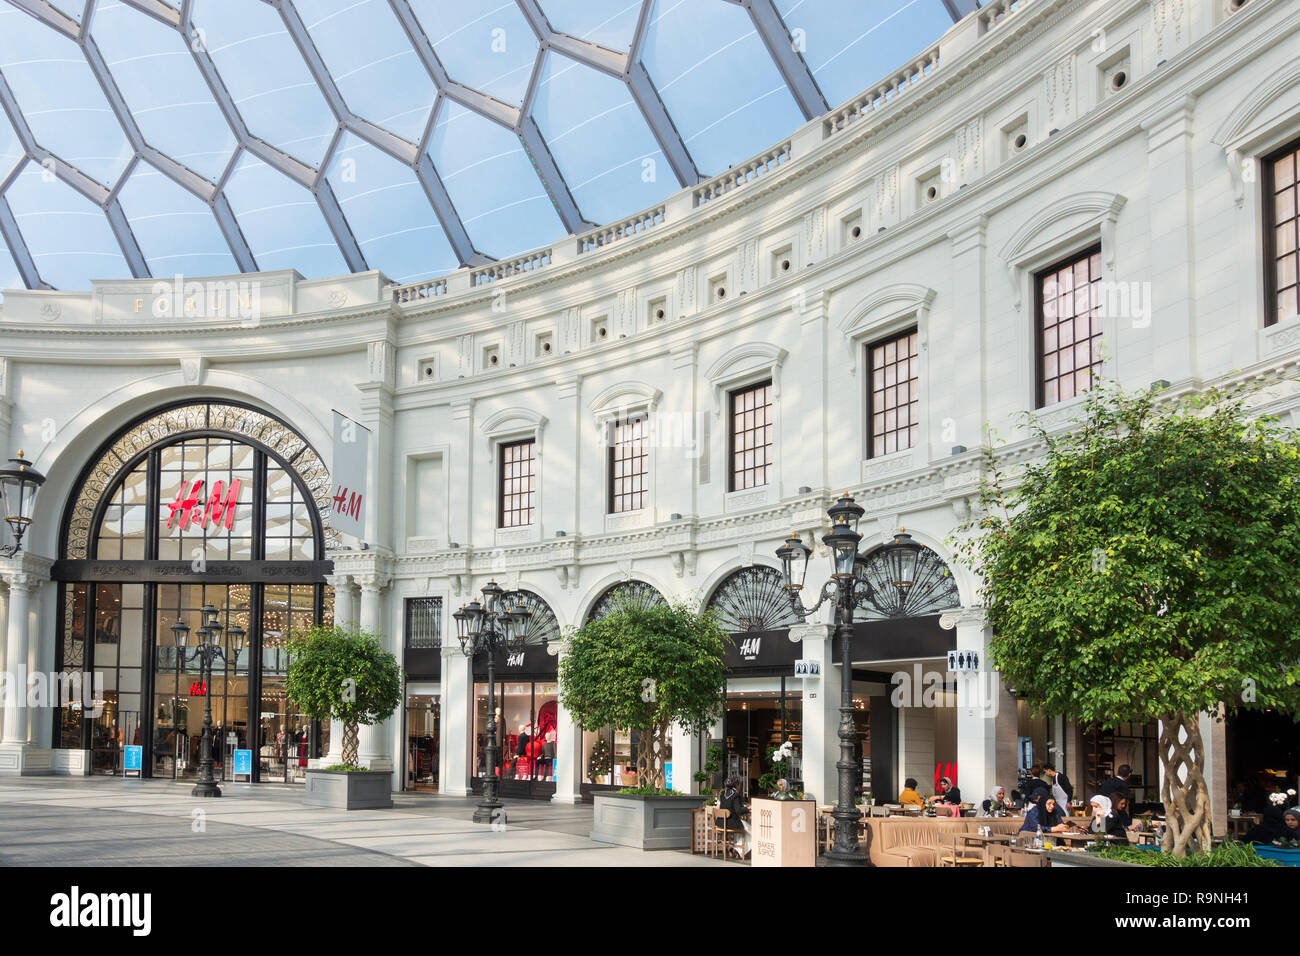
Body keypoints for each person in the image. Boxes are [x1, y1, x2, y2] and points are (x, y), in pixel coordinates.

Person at [716, 775, 750, 857]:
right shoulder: (736, 795)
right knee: (750, 830)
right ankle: (737, 850)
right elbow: (738, 811)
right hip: (731, 823)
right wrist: (748, 809)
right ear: (736, 785)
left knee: (743, 829)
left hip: (720, 823)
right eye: (740, 784)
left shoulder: (723, 793)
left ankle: (736, 849)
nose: (740, 786)